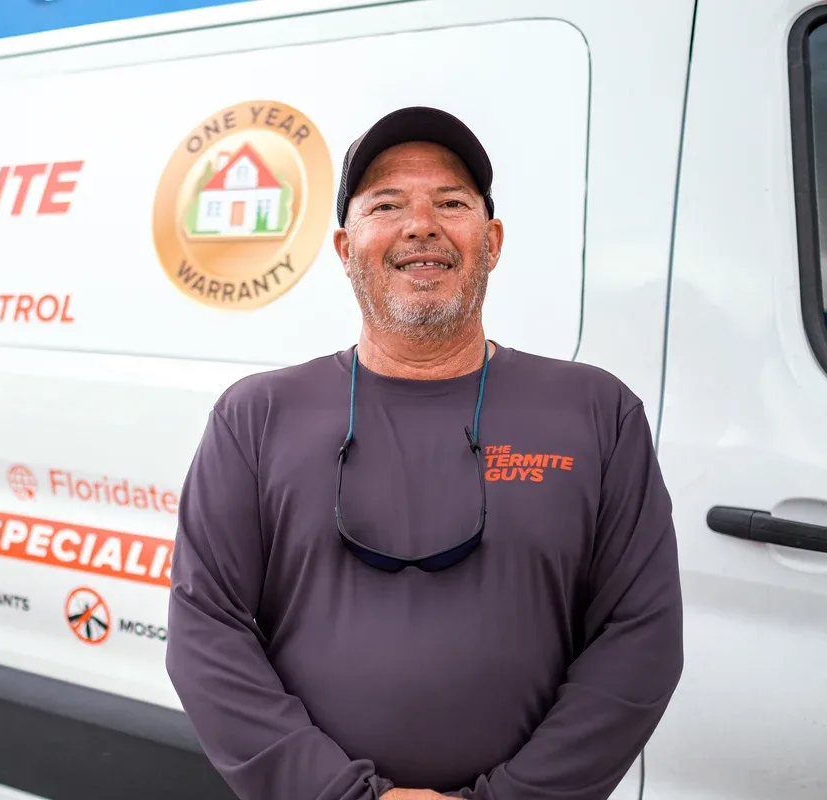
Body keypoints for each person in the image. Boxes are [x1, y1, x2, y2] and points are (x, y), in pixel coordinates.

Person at [164, 106, 685, 800]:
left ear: (491, 241)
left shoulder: (596, 413)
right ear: (346, 249)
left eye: (451, 203)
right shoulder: (256, 416)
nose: (421, 225)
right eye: (387, 204)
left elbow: (639, 637)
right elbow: (206, 632)